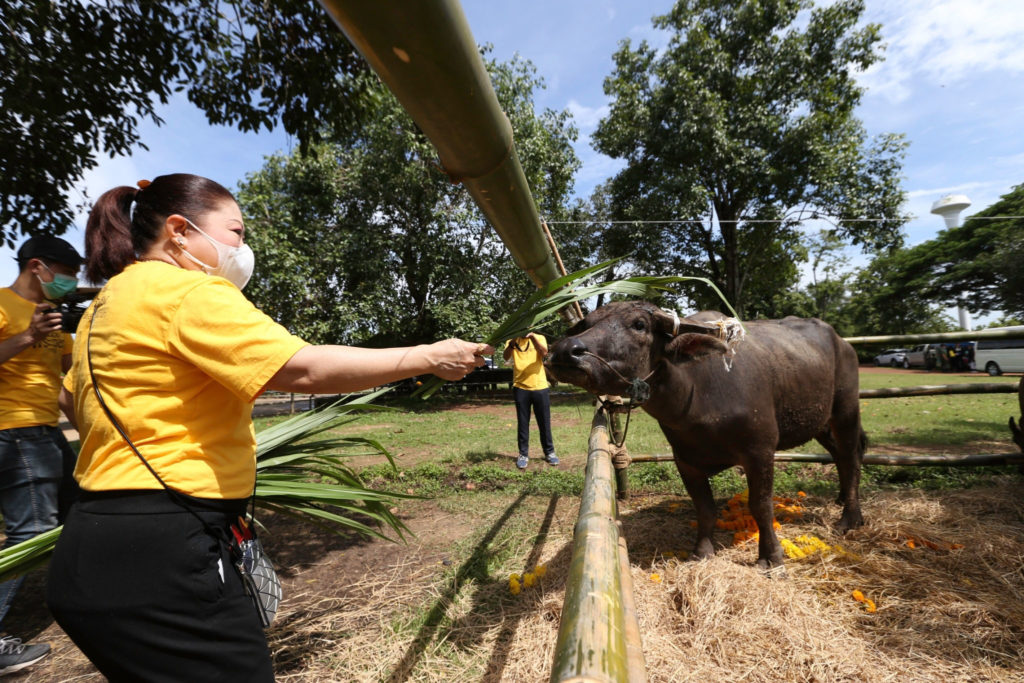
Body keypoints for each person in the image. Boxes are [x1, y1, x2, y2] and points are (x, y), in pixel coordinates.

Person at [45, 174, 492, 681]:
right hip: (164, 554)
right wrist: (430, 356)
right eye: (235, 231)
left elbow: (79, 407)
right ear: (178, 230)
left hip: (91, 543)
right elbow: (301, 368)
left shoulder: (104, 306)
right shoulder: (186, 292)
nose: (242, 247)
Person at [0, 235, 83, 676]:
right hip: (12, 431)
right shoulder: (2, 305)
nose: (70, 283)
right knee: (30, 533)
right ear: (38, 266)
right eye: (66, 274)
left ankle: (87, 597)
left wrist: (90, 434)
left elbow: (69, 382)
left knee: (82, 508)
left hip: (46, 431)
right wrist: (27, 336)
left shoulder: (56, 319)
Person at [503, 331, 558, 469]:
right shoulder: (512, 340)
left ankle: (549, 452)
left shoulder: (540, 337)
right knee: (523, 422)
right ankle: (523, 454)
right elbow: (506, 356)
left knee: (544, 421)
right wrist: (513, 341)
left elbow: (544, 353)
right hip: (520, 387)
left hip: (540, 386)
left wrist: (533, 338)